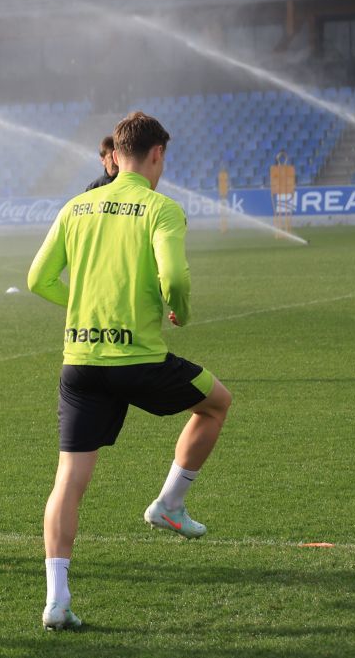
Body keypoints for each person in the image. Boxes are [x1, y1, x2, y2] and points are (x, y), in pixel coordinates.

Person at [26, 112, 232, 631]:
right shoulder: (161, 209)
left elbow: (36, 278)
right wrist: (179, 311)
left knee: (68, 481)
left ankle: (56, 599)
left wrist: (83, 307)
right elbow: (176, 276)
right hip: (138, 360)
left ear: (115, 155)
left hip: (81, 364)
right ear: (157, 154)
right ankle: (169, 504)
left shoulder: (77, 206)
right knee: (216, 402)